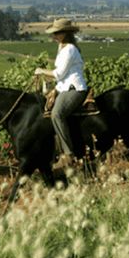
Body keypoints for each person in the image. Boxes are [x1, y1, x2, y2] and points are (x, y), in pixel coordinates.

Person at [34, 18, 89, 166]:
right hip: (65, 87)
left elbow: (59, 74)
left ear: (66, 33)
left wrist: (41, 71)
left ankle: (68, 154)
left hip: (75, 89)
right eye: (54, 33)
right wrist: (56, 91)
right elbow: (63, 78)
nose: (55, 36)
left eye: (57, 33)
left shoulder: (69, 49)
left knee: (57, 114)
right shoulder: (63, 48)